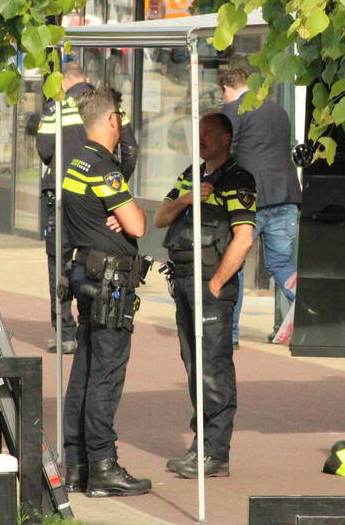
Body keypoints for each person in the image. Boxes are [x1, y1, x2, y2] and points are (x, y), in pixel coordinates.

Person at [60, 86, 151, 497]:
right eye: (121, 120)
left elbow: (105, 213)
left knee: (84, 369)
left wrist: (114, 212)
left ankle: (77, 463)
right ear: (112, 120)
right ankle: (103, 466)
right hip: (112, 281)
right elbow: (137, 226)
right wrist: (129, 211)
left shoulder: (77, 162)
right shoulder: (104, 167)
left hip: (87, 273)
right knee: (105, 374)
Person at [155, 113, 256, 478]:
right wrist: (187, 199)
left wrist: (215, 285)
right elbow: (160, 219)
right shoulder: (190, 174)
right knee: (194, 366)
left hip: (210, 285)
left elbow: (244, 237)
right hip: (182, 282)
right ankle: (200, 447)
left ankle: (215, 454)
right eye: (198, 134)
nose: (201, 140)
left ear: (226, 139)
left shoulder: (238, 180)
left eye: (208, 134)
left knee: (213, 369)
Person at [36, 62, 138, 353]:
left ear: (63, 83)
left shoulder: (55, 107)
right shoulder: (109, 106)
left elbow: (44, 150)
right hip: (100, 196)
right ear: (86, 79)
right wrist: (116, 186)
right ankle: (94, 323)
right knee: (98, 257)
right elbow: (130, 148)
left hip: (61, 194)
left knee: (59, 263)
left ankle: (65, 333)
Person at [219, 67, 301, 344]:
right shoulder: (278, 110)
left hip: (249, 200)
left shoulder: (233, 108)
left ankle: (229, 334)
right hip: (286, 194)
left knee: (235, 262)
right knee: (280, 262)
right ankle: (308, 305)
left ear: (227, 88)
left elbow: (223, 152)